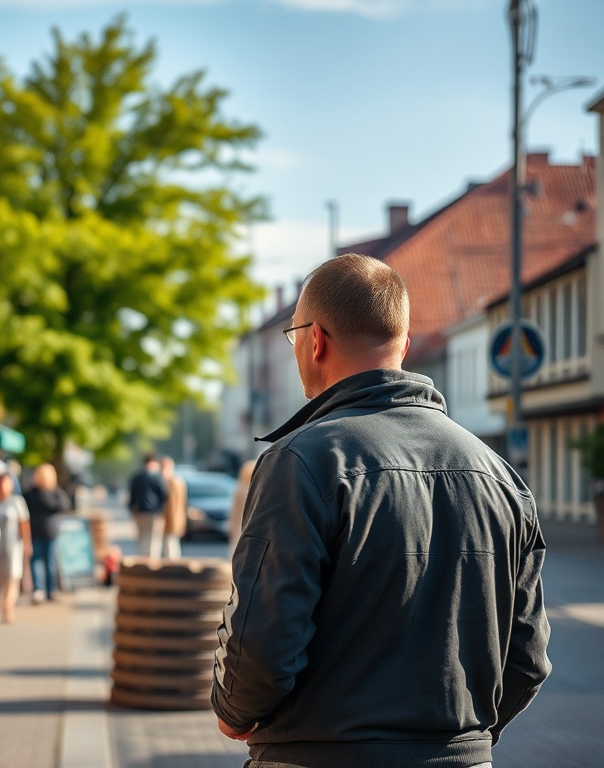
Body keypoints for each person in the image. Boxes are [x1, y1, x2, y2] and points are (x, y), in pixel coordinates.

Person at [212, 253, 551, 768]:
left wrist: (234, 711)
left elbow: (262, 638)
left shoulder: (302, 462)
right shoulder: (501, 477)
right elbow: (527, 656)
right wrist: (459, 740)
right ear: (404, 346)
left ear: (315, 340)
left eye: (292, 336)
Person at [0, 472, 32, 622]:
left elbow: (24, 524)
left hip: (13, 545)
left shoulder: (17, 502)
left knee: (12, 575)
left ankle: (8, 607)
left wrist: (27, 544)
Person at [23, 463, 71, 603]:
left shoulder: (32, 493)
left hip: (37, 530)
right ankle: (50, 590)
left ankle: (39, 590)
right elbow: (64, 506)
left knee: (37, 561)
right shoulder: (55, 493)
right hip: (49, 530)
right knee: (49, 561)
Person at [127, 454, 169, 558]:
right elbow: (164, 495)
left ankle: (143, 558)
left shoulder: (137, 477)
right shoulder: (157, 478)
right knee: (154, 538)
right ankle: (152, 560)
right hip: (154, 512)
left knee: (142, 537)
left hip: (140, 512)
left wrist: (132, 509)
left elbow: (132, 495)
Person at [227, 459, 255, 559]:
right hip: (242, 525)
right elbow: (235, 510)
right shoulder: (244, 489)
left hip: (241, 525)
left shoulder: (240, 488)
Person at [159, 456, 187, 559]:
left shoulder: (172, 483)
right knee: (172, 544)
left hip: (171, 518)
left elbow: (172, 504)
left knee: (170, 545)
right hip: (176, 518)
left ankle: (172, 565)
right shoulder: (179, 481)